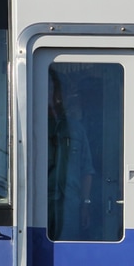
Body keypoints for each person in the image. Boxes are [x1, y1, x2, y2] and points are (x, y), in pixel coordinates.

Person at [48, 73, 94, 238]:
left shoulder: (77, 129)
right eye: (53, 92)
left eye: (60, 94)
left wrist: (85, 204)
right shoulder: (34, 126)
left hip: (70, 204)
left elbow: (87, 169)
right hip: (41, 202)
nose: (57, 99)